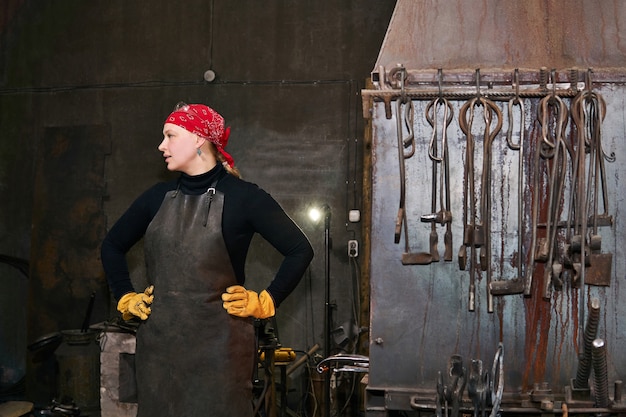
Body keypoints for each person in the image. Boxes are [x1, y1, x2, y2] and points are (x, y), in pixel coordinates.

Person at [101, 102, 314, 416]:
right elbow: (111, 246)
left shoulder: (245, 198)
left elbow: (299, 250)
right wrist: (124, 297)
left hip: (221, 355)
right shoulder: (155, 198)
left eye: (170, 136)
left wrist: (267, 300)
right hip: (160, 353)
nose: (162, 145)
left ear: (199, 139)